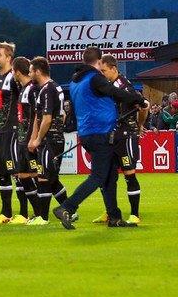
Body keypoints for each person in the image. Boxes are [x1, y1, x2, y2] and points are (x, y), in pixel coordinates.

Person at [54, 46, 147, 230]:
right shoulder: (94, 78)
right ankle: (67, 207)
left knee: (110, 176)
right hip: (101, 134)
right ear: (98, 61)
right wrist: (137, 99)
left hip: (87, 133)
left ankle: (114, 217)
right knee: (98, 176)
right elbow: (114, 92)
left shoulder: (74, 83)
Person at [95, 54, 147, 225]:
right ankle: (111, 212)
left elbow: (143, 106)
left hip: (125, 137)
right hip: (110, 137)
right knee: (107, 177)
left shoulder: (125, 87)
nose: (102, 74)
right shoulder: (108, 86)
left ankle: (135, 214)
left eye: (104, 71)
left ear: (113, 69)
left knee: (129, 174)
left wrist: (139, 126)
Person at [27, 56, 67, 225]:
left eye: (31, 71)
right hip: (54, 138)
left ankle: (42, 218)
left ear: (38, 71)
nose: (29, 74)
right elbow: (62, 115)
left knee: (43, 177)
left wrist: (37, 139)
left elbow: (47, 119)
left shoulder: (47, 89)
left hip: (50, 140)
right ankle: (69, 210)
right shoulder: (53, 87)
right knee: (51, 178)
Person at [0, 42, 22, 223]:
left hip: (11, 132)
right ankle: (6, 213)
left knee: (17, 173)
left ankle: (23, 213)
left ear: (9, 58)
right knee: (1, 174)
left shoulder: (14, 78)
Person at [11, 56, 40, 223]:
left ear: (16, 72)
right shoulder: (23, 89)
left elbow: (37, 114)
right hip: (22, 139)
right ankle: (36, 213)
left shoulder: (32, 89)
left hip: (29, 140)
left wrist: (34, 138)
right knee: (23, 175)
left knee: (37, 176)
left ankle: (42, 213)